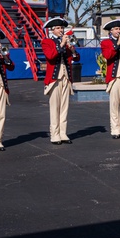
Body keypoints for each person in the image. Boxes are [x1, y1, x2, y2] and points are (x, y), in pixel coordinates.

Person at [42, 16, 79, 144]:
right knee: (55, 107)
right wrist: (62, 44)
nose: (61, 30)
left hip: (66, 77)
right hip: (54, 78)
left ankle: (63, 133)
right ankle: (54, 134)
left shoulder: (66, 41)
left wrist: (72, 49)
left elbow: (76, 58)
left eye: (62, 28)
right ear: (52, 30)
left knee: (64, 107)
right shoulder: (47, 42)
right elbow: (50, 56)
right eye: (58, 28)